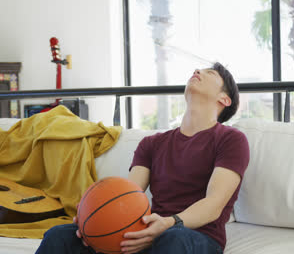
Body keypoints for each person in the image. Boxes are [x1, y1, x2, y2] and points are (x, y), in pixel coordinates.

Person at [35, 62, 250, 254]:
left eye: (209, 72)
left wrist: (168, 224)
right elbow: (126, 196)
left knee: (174, 239)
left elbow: (214, 204)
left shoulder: (231, 140)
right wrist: (94, 222)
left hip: (197, 237)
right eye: (198, 69)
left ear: (225, 99)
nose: (197, 71)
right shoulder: (152, 143)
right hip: (148, 232)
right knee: (60, 236)